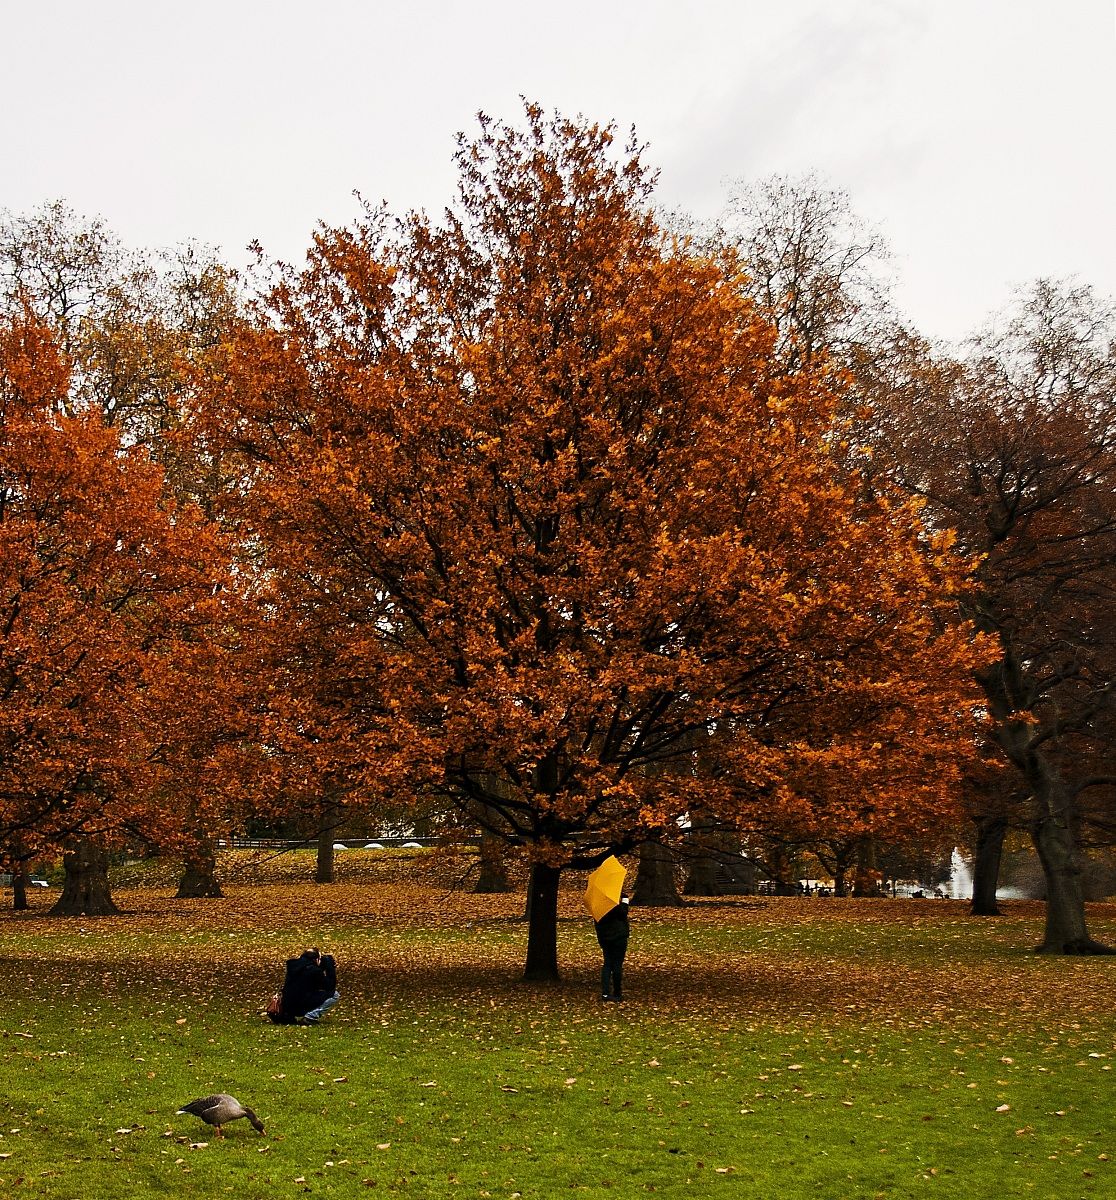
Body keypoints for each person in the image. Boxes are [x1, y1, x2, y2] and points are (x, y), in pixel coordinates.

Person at [270, 948, 339, 1025]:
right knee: (335, 995)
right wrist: (330, 968)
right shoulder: (314, 971)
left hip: (287, 1005)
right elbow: (330, 986)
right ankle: (310, 1017)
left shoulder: (293, 966)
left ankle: (288, 1015)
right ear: (316, 959)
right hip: (301, 1005)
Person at [594, 898, 630, 1001]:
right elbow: (623, 913)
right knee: (617, 964)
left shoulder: (597, 906)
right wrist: (625, 901)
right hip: (619, 937)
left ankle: (605, 992)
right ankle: (617, 992)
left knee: (608, 964)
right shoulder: (614, 903)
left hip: (605, 937)